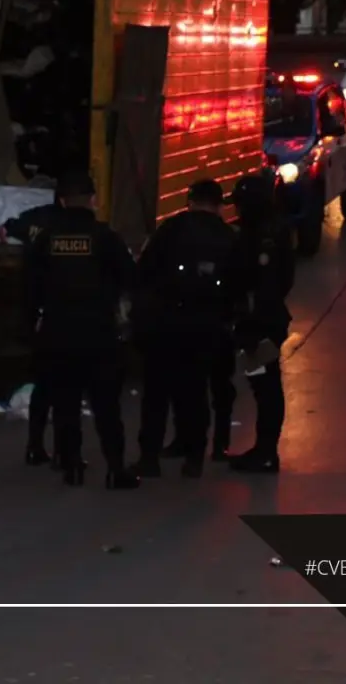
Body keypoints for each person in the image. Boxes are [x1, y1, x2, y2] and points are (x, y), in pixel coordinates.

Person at [27, 170, 139, 489]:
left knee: (66, 403)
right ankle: (116, 470)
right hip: (98, 333)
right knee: (106, 406)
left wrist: (30, 329)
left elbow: (29, 288)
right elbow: (131, 280)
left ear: (61, 200)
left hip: (58, 332)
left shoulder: (45, 238)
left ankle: (71, 466)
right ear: (93, 199)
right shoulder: (105, 237)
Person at [131, 178, 238, 479]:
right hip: (206, 326)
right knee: (194, 393)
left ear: (189, 201)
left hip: (165, 324)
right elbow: (238, 284)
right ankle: (194, 458)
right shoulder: (227, 236)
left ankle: (149, 458)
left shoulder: (169, 230)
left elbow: (144, 273)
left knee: (156, 394)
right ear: (218, 205)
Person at [226, 173, 295, 473]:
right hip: (265, 322)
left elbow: (264, 284)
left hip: (260, 326)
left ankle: (266, 451)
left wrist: (252, 327)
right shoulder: (273, 228)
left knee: (265, 387)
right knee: (263, 386)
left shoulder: (261, 236)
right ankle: (264, 448)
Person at [4, 200, 61, 466]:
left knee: (45, 386)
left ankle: (36, 446)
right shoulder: (96, 234)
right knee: (70, 388)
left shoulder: (41, 233)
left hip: (47, 320)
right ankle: (66, 453)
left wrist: (29, 321)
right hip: (81, 322)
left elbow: (30, 283)